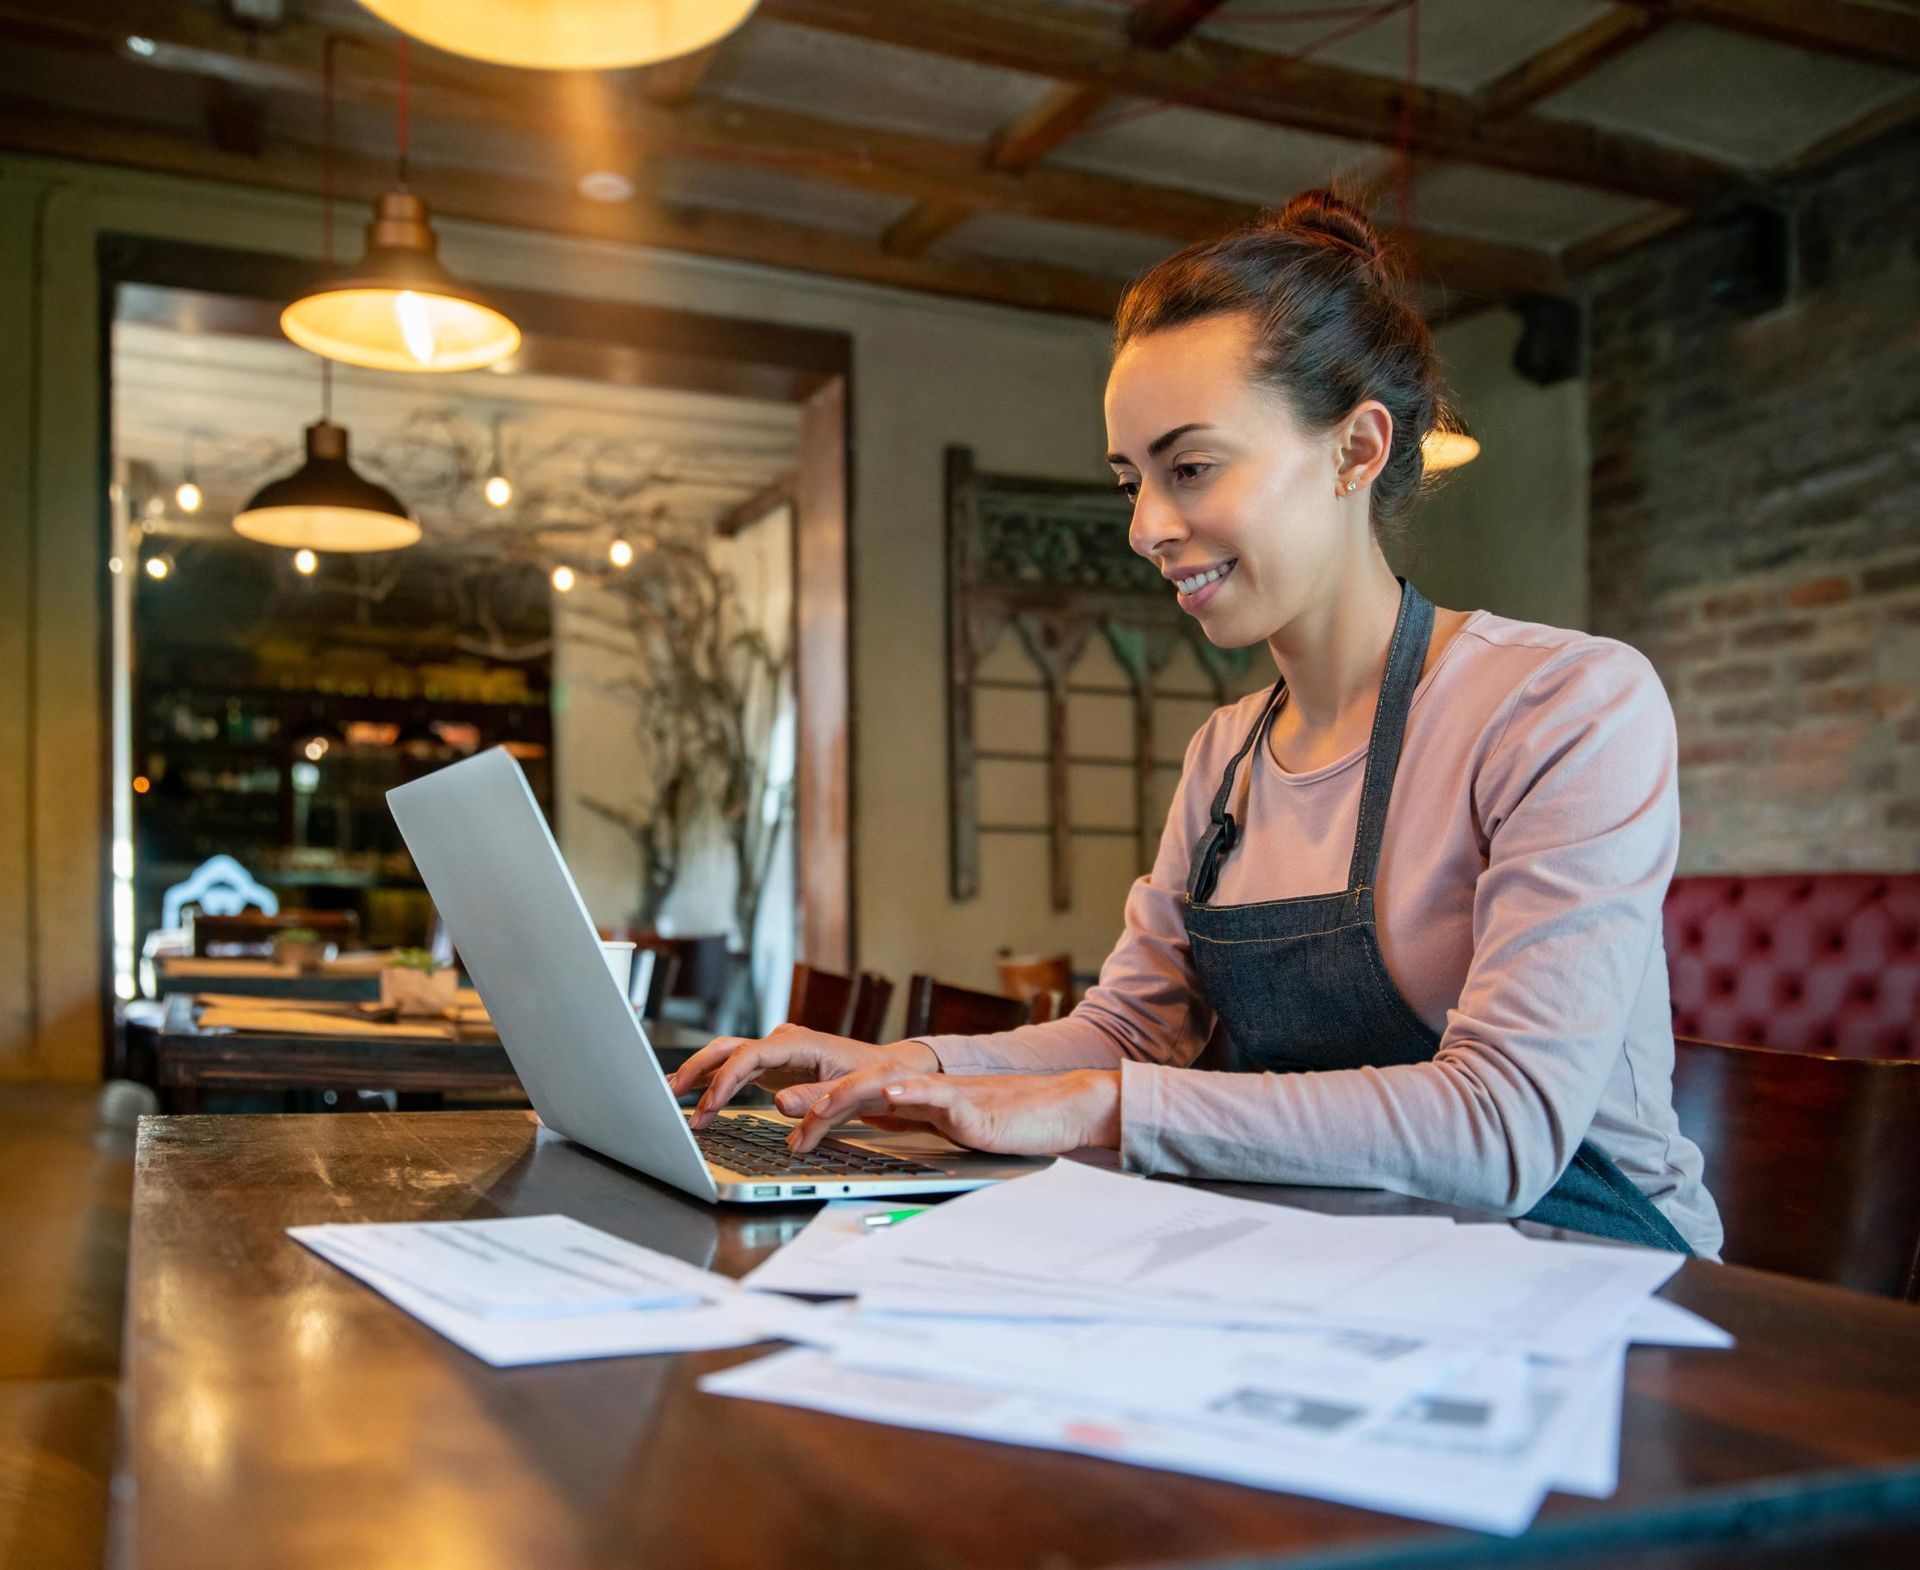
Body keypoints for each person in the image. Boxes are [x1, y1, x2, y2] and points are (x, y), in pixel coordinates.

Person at [670, 188, 1722, 1258]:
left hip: (1599, 1286)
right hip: (1337, 1263)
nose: (1145, 528)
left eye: (1191, 467)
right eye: (1133, 480)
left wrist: (1108, 1105)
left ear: (1356, 451)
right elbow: (1128, 1032)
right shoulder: (1228, 752)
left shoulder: (1566, 704)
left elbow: (1503, 1129)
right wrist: (911, 1065)